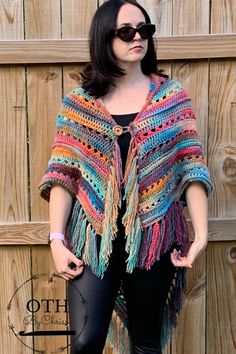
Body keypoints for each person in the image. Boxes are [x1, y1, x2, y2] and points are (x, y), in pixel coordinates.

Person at [38, 1, 212, 353]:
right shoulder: (80, 104)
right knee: (85, 341)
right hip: (92, 239)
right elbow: (63, 176)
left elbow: (191, 167)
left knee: (146, 343)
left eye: (144, 30)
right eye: (126, 32)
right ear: (104, 38)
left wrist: (202, 235)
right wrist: (56, 240)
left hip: (153, 238)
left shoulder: (171, 99)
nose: (138, 38)